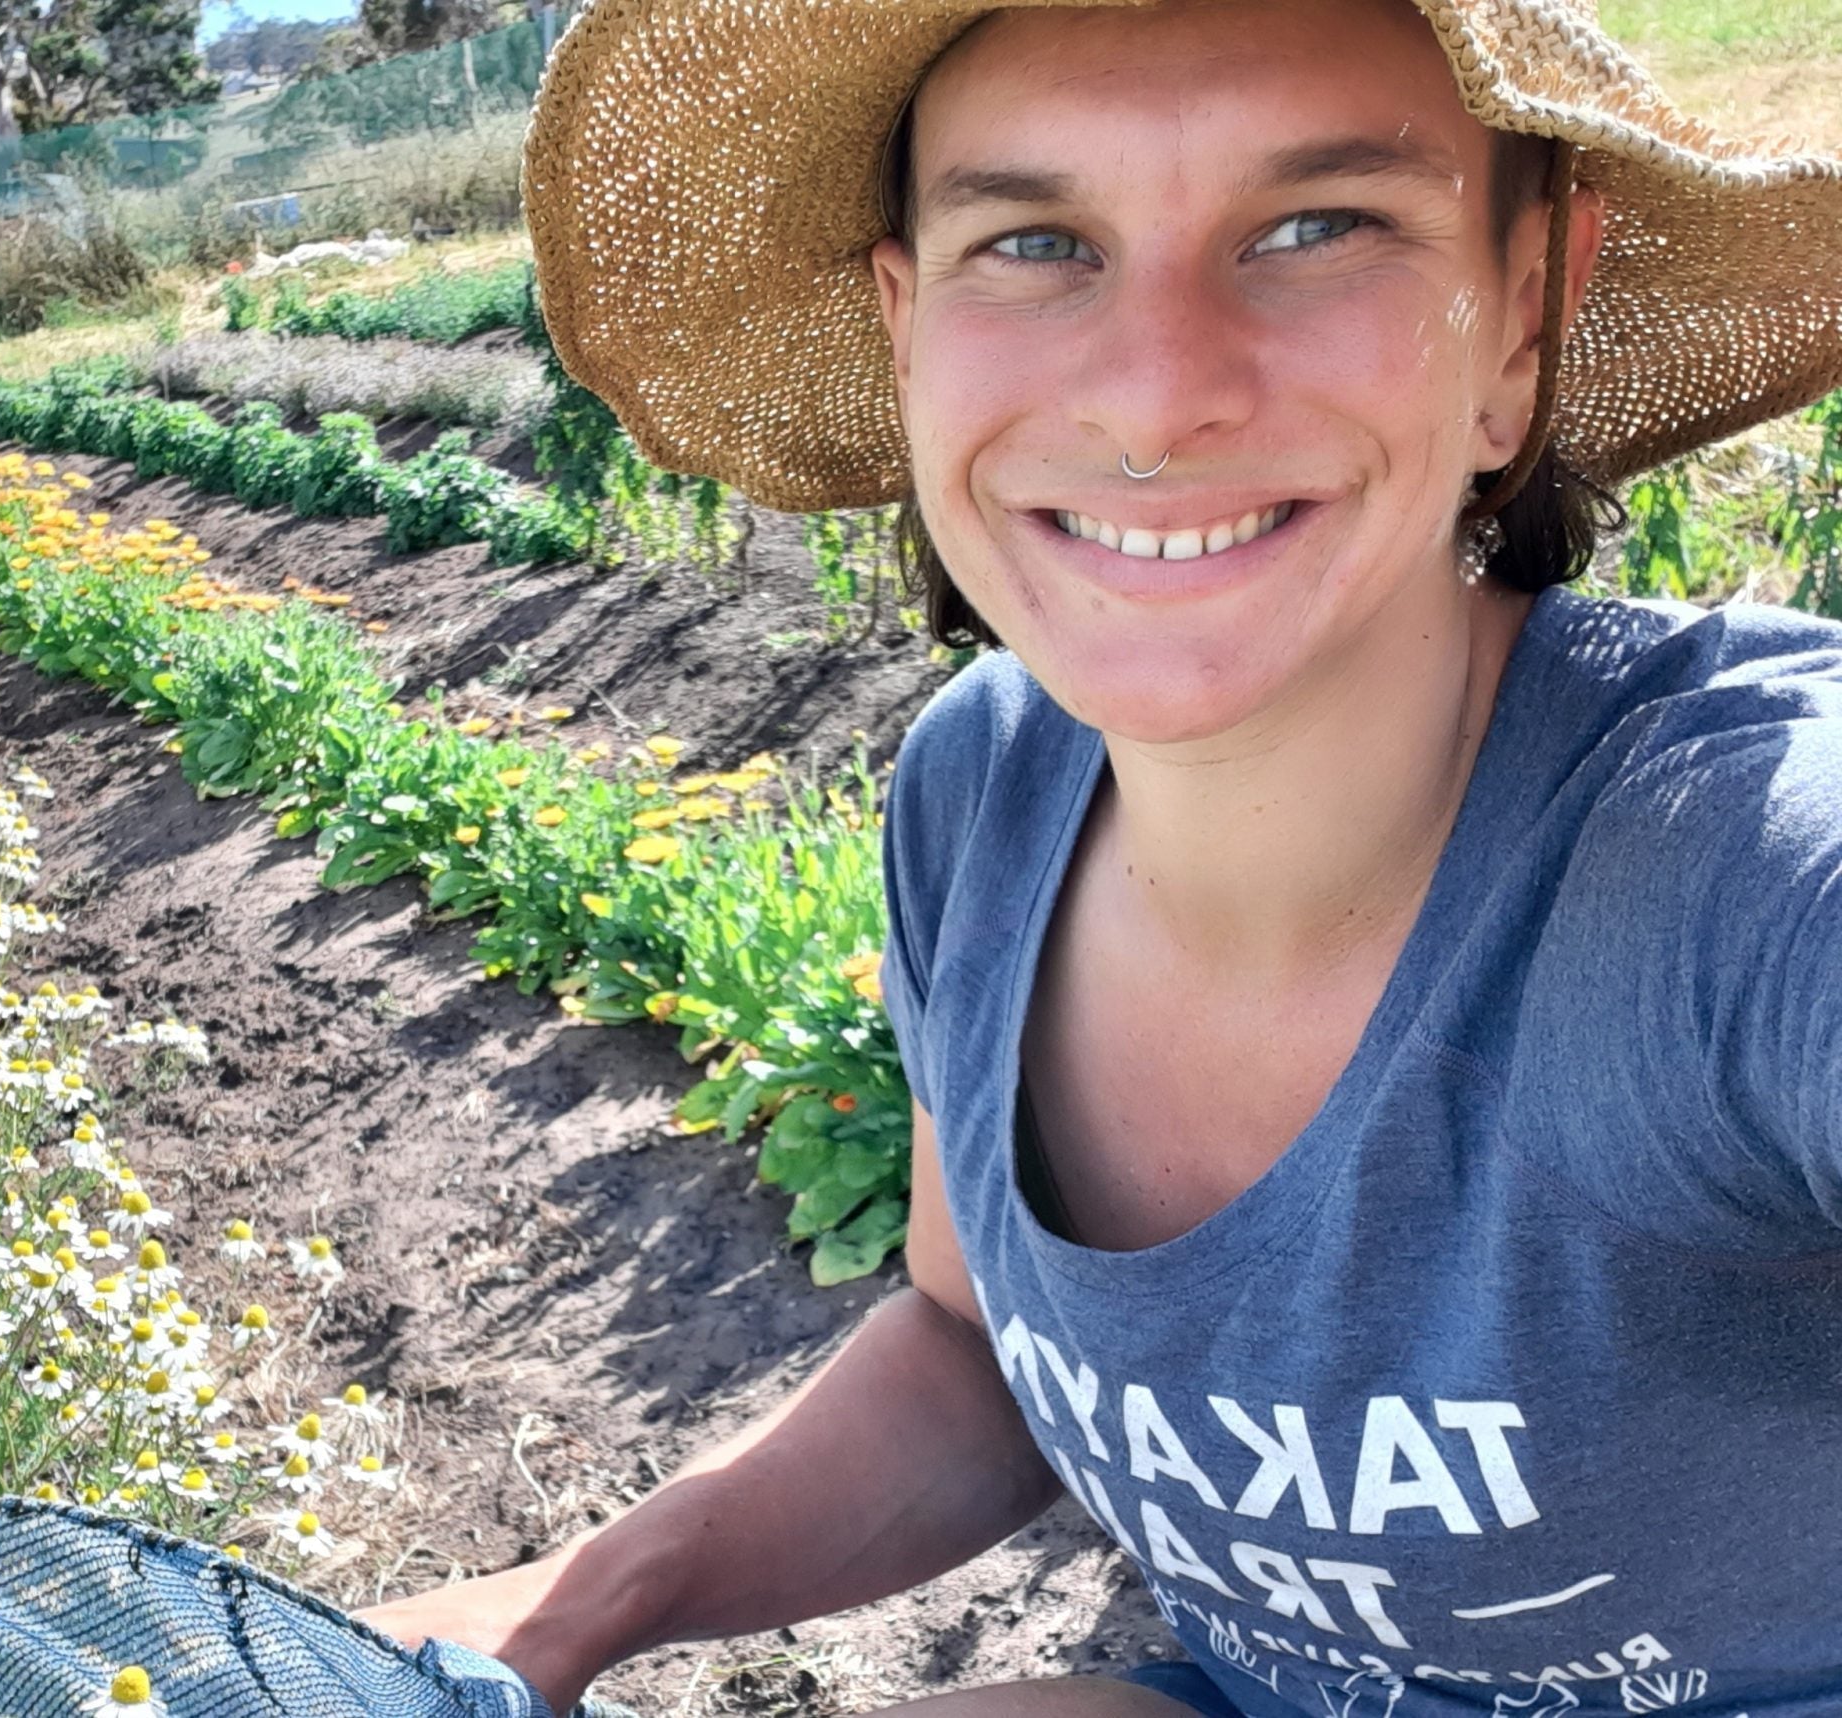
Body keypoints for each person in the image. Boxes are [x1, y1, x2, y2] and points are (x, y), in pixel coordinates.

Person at [357, 0, 1842, 1714]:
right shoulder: (982, 791)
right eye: (1036, 241)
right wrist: (565, 1608)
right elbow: (969, 1346)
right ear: (907, 331)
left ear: (1524, 317)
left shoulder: (1744, 867)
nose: (1156, 389)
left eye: (1318, 226)